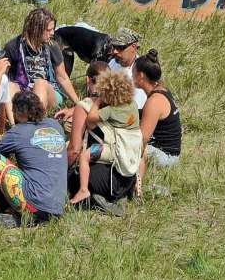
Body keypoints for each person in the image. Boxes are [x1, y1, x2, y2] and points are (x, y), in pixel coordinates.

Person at [0, 90, 67, 228]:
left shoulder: (17, 131)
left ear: (19, 112)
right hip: (57, 207)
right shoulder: (55, 126)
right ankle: (27, 218)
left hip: (34, 203)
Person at [69, 72, 141, 205]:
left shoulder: (111, 111)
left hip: (115, 149)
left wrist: (97, 102)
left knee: (85, 156)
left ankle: (83, 190)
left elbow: (91, 119)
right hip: (131, 149)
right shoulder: (133, 105)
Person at [4, 8, 80, 112]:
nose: (52, 33)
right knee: (9, 86)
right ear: (36, 29)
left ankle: (37, 122)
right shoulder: (13, 46)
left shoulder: (52, 46)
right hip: (22, 91)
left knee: (40, 84)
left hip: (48, 92)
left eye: (53, 29)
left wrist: (78, 103)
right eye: (48, 30)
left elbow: (62, 77)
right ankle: (14, 126)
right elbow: (2, 77)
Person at [134, 50, 182, 188]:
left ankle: (136, 185)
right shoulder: (162, 90)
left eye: (133, 72)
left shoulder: (155, 101)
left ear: (141, 75)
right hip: (168, 152)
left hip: (165, 156)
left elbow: (142, 139)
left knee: (128, 145)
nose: (131, 76)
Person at [108, 28, 147, 110]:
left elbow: (135, 109)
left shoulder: (140, 74)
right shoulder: (113, 62)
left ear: (133, 47)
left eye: (120, 47)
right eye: (114, 46)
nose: (115, 51)